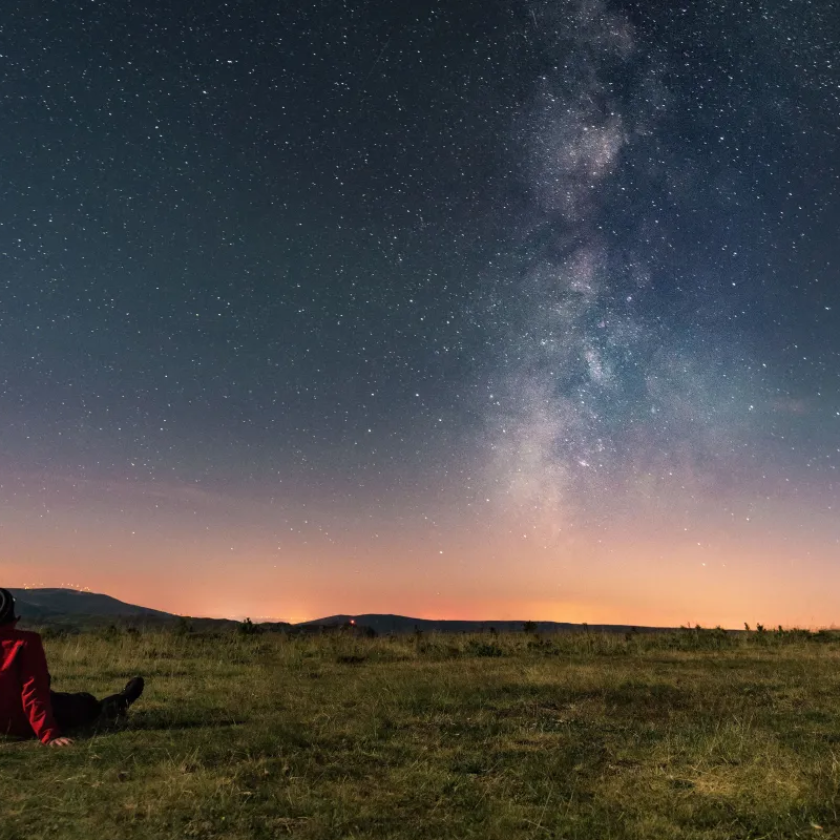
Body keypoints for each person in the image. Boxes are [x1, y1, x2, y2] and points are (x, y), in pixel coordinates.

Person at [0, 587, 145, 747]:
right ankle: (119, 702)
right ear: (12, 619)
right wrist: (48, 733)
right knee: (86, 703)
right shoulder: (25, 642)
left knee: (62, 700)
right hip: (23, 722)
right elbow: (33, 691)